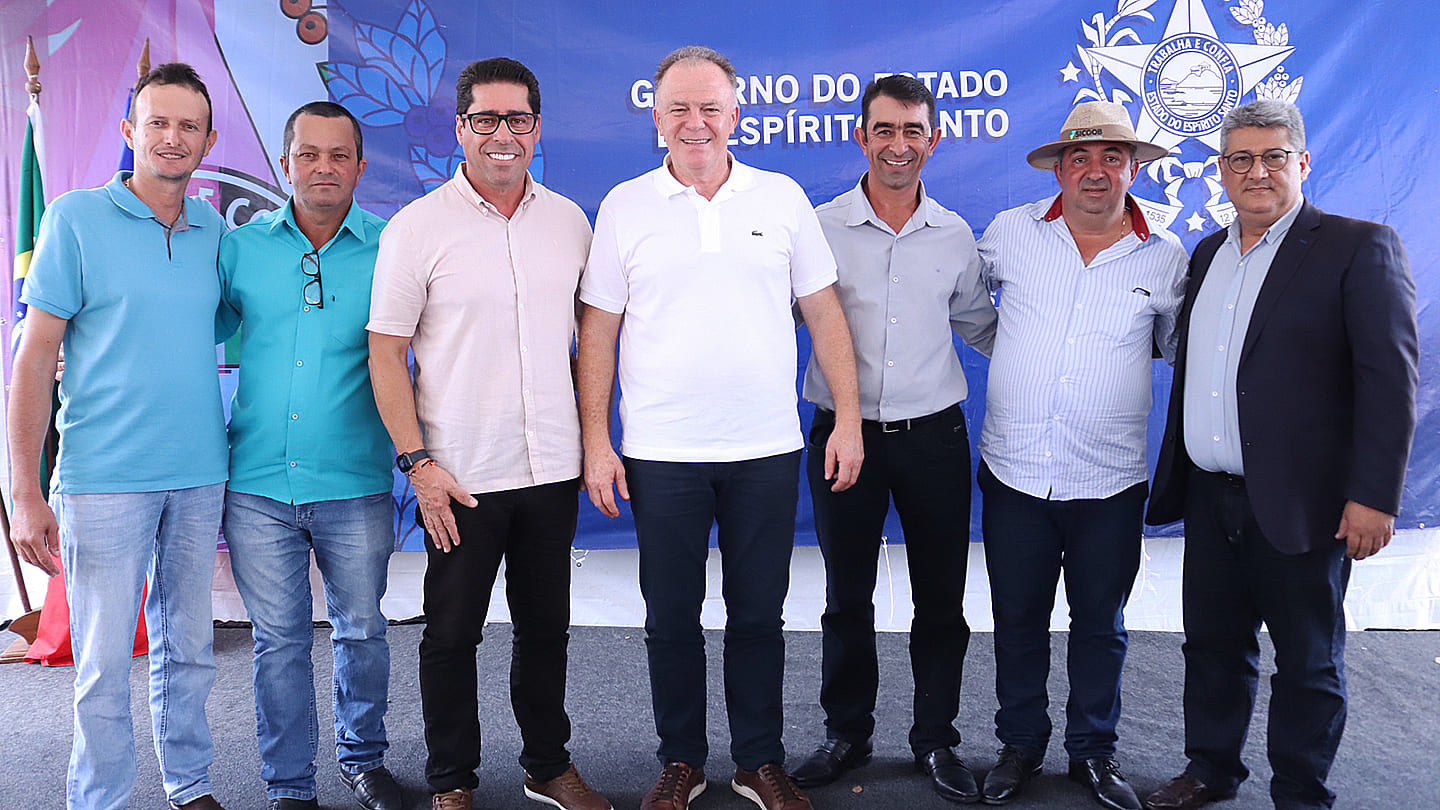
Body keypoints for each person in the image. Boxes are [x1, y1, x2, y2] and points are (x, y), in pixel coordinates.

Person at [577, 45, 864, 810]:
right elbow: (598, 329)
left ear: (736, 115)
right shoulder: (625, 206)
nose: (695, 122)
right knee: (670, 617)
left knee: (758, 615)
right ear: (656, 117)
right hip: (660, 452)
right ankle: (682, 761)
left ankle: (758, 762)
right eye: (679, 107)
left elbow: (824, 313)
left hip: (764, 449)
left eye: (710, 107)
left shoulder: (782, 198)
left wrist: (849, 419)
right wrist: (597, 442)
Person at [1142, 100, 1417, 810]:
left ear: (1303, 162)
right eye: (1240, 158)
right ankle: (1210, 770)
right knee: (1211, 646)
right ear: (1221, 170)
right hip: (1211, 494)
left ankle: (1300, 791)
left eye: (1272, 156)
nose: (1256, 171)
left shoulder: (1359, 246)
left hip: (1306, 501)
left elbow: (1389, 382)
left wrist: (1374, 496)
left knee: (1308, 661)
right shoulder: (1208, 253)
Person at [367, 57, 609, 810]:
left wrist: (594, 440)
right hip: (458, 477)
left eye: (518, 119)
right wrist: (418, 464)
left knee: (546, 630)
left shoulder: (570, 222)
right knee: (449, 635)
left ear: (537, 128)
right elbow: (385, 352)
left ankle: (548, 765)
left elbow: (592, 343)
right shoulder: (416, 229)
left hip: (551, 468)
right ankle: (452, 780)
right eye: (485, 119)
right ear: (460, 127)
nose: (502, 134)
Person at [6, 63, 230, 810]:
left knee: (189, 649)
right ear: (131, 130)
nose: (173, 137)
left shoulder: (214, 231)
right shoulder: (74, 218)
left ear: (208, 142)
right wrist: (25, 489)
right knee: (102, 663)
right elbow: (34, 358)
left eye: (189, 125)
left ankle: (189, 785)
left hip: (199, 473)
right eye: (157, 122)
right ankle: (99, 799)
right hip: (102, 477)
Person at [974, 101, 1187, 810]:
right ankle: (1020, 747)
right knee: (1018, 623)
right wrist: (1016, 354)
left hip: (1110, 480)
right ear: (1060, 168)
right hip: (1015, 472)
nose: (1096, 171)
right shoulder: (1010, 233)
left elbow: (1179, 350)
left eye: (1111, 158)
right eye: (1080, 158)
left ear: (1134, 168)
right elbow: (964, 303)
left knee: (1101, 626)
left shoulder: (1166, 256)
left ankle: (1093, 752)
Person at [788, 74, 996, 804]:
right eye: (884, 129)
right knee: (846, 596)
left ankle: (936, 740)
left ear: (932, 141)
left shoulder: (956, 236)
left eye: (913, 131)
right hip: (843, 437)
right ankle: (847, 734)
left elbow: (984, 327)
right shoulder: (819, 228)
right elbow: (773, 318)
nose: (898, 145)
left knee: (941, 600)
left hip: (935, 437)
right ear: (861, 137)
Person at [216, 101, 402, 810]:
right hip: (257, 483)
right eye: (308, 154)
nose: (324, 167)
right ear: (285, 163)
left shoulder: (392, 248)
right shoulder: (240, 248)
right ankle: (289, 784)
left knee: (363, 630)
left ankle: (364, 760)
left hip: (354, 479)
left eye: (339, 155)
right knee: (279, 642)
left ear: (360, 165)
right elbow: (182, 325)